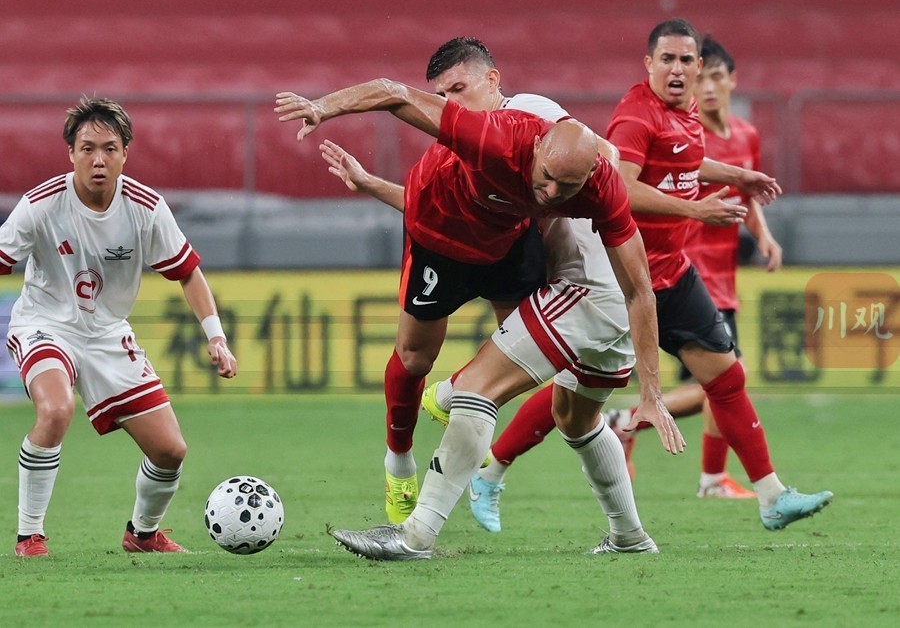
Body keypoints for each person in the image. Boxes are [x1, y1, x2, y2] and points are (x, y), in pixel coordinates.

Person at [275, 75, 685, 561]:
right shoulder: (504, 135)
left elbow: (641, 289)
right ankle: (630, 537)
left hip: (586, 297)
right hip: (605, 309)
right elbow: (397, 95)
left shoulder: (594, 177)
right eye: (548, 177)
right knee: (576, 420)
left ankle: (415, 536)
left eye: (567, 185)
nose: (552, 192)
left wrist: (652, 393)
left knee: (475, 390)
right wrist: (323, 108)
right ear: (540, 140)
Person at [305, 38, 614, 526]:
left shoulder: (533, 119)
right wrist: (355, 160)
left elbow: (603, 159)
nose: (450, 104)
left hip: (509, 247)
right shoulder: (466, 140)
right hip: (439, 248)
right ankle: (399, 464)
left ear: (493, 80)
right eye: (442, 95)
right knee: (414, 358)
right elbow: (395, 105)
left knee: (528, 354)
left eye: (458, 89)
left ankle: (456, 403)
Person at [602, 18, 831, 530]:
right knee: (571, 385)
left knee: (727, 377)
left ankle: (770, 495)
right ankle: (493, 468)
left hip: (673, 272)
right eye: (667, 59)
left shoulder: (686, 115)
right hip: (624, 275)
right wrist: (695, 211)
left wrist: (739, 177)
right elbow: (620, 191)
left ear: (700, 67)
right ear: (649, 63)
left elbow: (689, 163)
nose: (677, 68)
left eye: (686, 60)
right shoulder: (636, 114)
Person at [0, 97, 238, 557]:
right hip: (45, 324)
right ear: (70, 153)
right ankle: (29, 535)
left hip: (107, 334)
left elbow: (188, 272)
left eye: (109, 149)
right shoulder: (41, 205)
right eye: (87, 148)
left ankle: (143, 535)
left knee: (170, 451)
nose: (98, 160)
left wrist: (216, 336)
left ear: (125, 153)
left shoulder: (146, 208)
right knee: (56, 410)